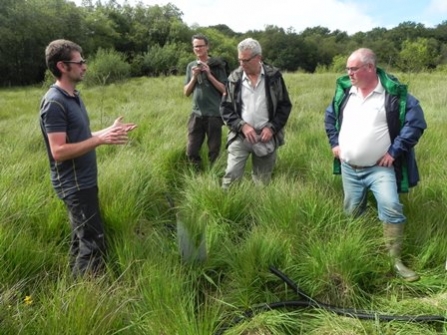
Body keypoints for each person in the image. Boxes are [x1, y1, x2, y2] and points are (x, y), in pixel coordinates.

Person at [324, 48, 427, 282]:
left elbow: (416, 123)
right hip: (349, 168)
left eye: (353, 68)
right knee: (352, 211)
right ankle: (359, 252)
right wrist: (334, 144)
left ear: (370, 67)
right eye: (347, 69)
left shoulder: (393, 94)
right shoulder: (345, 93)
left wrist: (394, 151)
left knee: (391, 207)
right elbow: (330, 118)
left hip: (380, 169)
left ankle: (395, 261)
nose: (349, 73)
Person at [39, 39, 137, 277]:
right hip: (74, 185)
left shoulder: (73, 96)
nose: (85, 66)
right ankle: (85, 294)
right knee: (93, 243)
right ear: (63, 66)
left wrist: (108, 131)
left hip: (85, 181)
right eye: (80, 62)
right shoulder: (54, 102)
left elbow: (81, 137)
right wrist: (101, 140)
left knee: (81, 238)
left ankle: (72, 284)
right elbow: (59, 151)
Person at [220, 38, 292, 189]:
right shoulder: (233, 79)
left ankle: (259, 209)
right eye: (239, 60)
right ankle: (227, 208)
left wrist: (271, 128)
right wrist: (242, 126)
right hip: (240, 136)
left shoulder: (274, 77)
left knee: (262, 181)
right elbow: (225, 109)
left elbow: (284, 106)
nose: (242, 64)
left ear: (258, 58)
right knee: (231, 175)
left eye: (246, 60)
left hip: (266, 137)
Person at [183, 34, 227, 170]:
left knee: (214, 150)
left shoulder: (217, 65)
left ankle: (214, 175)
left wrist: (209, 74)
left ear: (207, 47)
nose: (198, 48)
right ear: (193, 48)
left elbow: (224, 89)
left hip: (214, 114)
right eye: (196, 46)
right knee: (191, 150)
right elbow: (186, 92)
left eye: (201, 46)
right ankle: (197, 174)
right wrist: (194, 77)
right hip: (196, 114)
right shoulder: (191, 66)